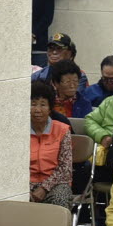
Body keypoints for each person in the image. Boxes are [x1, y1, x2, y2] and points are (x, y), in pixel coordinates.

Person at [28, 80, 76, 210]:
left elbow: (65, 169)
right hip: (26, 184)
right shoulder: (19, 132)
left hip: (55, 184)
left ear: (50, 108)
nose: (37, 110)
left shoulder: (62, 130)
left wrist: (44, 188)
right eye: (33, 104)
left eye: (43, 105)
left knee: (60, 197)